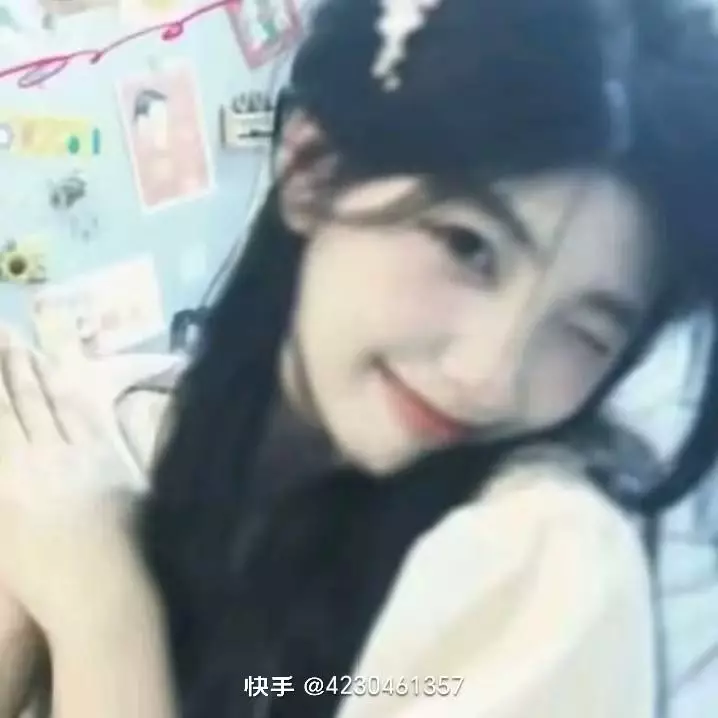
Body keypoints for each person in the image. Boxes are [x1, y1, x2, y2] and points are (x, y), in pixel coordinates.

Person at [3, 0, 718, 717]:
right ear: (312, 169)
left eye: (586, 332)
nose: (490, 377)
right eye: (467, 247)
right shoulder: (103, 440)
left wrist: (104, 616)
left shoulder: (540, 554)